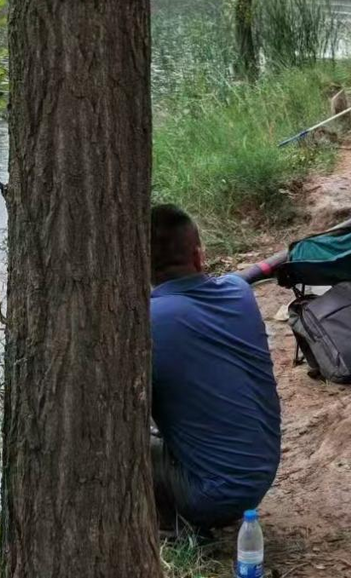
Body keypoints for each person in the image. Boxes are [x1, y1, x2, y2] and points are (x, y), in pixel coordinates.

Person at [149, 203, 281, 530]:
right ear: (198, 257)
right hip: (260, 478)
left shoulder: (147, 324)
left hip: (207, 498)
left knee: (115, 440)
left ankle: (164, 526)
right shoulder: (240, 292)